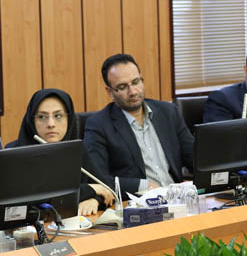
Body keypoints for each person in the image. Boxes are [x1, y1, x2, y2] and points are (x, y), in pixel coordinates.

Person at [83, 54, 194, 197]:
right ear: (110, 92)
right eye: (122, 87)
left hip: (178, 199)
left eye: (136, 82)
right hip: (139, 203)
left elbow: (194, 159)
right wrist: (143, 186)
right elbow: (98, 179)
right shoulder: (99, 125)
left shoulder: (168, 112)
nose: (133, 92)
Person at [6, 89, 114, 215]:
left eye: (58, 116)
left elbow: (106, 189)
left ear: (69, 118)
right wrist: (90, 190)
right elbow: (38, 199)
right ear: (32, 120)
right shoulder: (15, 154)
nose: (50, 124)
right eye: (42, 117)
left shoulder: (76, 150)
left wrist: (94, 200)